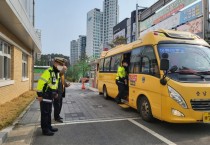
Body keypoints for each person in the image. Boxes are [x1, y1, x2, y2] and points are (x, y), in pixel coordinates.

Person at [36, 57, 66, 136]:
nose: (61, 66)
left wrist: (55, 93)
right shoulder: (48, 71)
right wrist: (39, 95)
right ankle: (45, 129)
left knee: (49, 112)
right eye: (59, 64)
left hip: (50, 96)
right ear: (55, 64)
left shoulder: (56, 73)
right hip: (45, 95)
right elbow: (40, 84)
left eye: (61, 65)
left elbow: (54, 85)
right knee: (45, 113)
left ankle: (49, 126)